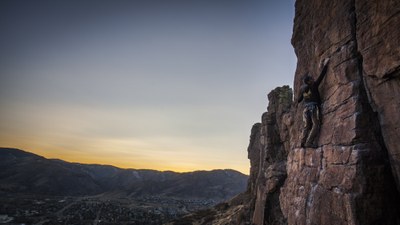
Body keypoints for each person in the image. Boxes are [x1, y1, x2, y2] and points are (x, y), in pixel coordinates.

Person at [297, 58, 330, 148]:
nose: (313, 79)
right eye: (311, 79)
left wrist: (302, 92)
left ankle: (302, 142)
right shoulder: (313, 85)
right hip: (313, 108)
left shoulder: (304, 89)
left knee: (306, 126)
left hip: (305, 109)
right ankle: (309, 142)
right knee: (315, 124)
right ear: (309, 81)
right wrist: (326, 65)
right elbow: (321, 76)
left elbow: (299, 100)